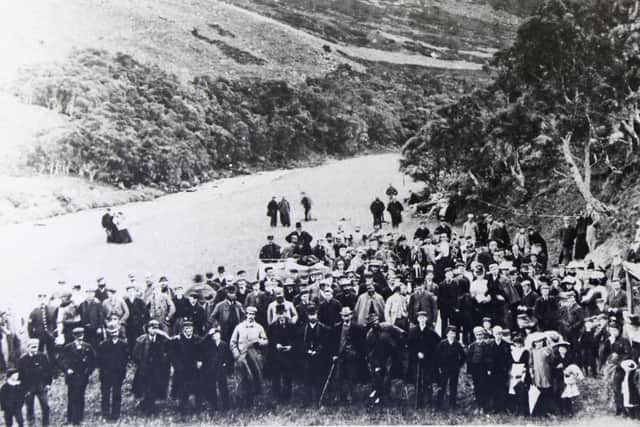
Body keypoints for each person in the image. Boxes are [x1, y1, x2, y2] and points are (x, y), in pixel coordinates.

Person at [230, 306, 268, 408]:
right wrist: (236, 355)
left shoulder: (259, 327)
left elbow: (265, 341)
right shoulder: (239, 327)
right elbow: (232, 343)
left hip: (254, 357)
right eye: (249, 314)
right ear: (246, 314)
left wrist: (259, 342)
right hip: (242, 357)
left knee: (254, 378)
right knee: (242, 379)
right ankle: (240, 401)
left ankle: (252, 401)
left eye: (253, 314)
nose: (251, 316)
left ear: (255, 315)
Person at [58, 327, 96, 426]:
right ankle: (71, 417)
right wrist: (67, 370)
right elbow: (61, 360)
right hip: (72, 376)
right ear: (74, 336)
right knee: (71, 396)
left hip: (83, 375)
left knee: (81, 396)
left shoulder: (88, 346)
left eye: (81, 336)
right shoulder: (68, 347)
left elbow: (93, 360)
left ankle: (79, 417)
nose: (80, 338)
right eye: (77, 336)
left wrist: (88, 371)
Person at [132, 320, 171, 415]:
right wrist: (141, 364)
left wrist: (164, 335)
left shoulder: (161, 340)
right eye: (152, 328)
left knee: (155, 385)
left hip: (157, 368)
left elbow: (170, 345)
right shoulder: (141, 340)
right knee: (144, 386)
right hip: (144, 368)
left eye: (156, 328)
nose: (154, 330)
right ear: (147, 329)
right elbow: (135, 355)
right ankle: (145, 404)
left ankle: (151, 404)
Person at [408, 311, 440, 408]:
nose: (422, 319)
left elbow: (435, 345)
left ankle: (428, 401)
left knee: (427, 379)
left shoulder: (431, 332)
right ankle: (418, 401)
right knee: (417, 380)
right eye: (420, 318)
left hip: (428, 360)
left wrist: (425, 353)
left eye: (424, 318)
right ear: (417, 319)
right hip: (416, 360)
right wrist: (417, 353)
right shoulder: (413, 331)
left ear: (426, 319)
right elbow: (410, 345)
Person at [171, 320, 203, 414]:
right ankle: (183, 407)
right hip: (182, 368)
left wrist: (200, 361)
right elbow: (173, 354)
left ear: (193, 329)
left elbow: (201, 351)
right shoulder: (178, 340)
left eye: (190, 328)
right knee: (182, 387)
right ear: (183, 330)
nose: (189, 330)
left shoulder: (197, 339)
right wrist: (177, 366)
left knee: (197, 386)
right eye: (186, 328)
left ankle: (198, 407)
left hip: (194, 367)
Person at [97, 324, 128, 421]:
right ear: (109, 333)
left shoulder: (123, 344)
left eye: (115, 332)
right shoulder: (103, 345)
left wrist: (122, 372)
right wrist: (102, 372)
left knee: (117, 394)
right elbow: (100, 360)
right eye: (112, 332)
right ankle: (105, 413)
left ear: (118, 332)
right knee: (105, 394)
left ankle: (115, 414)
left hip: (118, 374)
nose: (114, 334)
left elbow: (125, 359)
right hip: (106, 374)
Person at [17, 339, 51, 427]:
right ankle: (31, 424)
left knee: (45, 406)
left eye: (36, 346)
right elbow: (20, 376)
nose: (35, 349)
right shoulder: (22, 360)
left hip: (41, 385)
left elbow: (48, 371)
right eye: (33, 347)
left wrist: (48, 384)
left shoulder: (42, 356)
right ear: (28, 348)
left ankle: (46, 424)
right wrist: (23, 389)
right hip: (28, 387)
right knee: (30, 407)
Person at [301, 305, 330, 406]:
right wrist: (307, 350)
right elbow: (301, 342)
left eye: (314, 314)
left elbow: (325, 343)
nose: (312, 317)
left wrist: (317, 351)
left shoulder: (324, 328)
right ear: (307, 315)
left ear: (317, 315)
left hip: (320, 358)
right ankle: (307, 400)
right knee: (307, 379)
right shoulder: (303, 328)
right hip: (307, 357)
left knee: (320, 378)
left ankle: (321, 399)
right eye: (310, 315)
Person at [201, 326, 232, 412]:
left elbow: (229, 357)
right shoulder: (208, 344)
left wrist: (227, 365)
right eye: (213, 335)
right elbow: (201, 343)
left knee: (223, 388)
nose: (215, 336)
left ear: (220, 335)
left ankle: (226, 406)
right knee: (211, 388)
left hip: (221, 370)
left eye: (217, 334)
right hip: (211, 369)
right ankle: (214, 405)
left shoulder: (224, 344)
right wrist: (208, 334)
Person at [268, 311, 296, 403]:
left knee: (287, 376)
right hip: (276, 356)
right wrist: (276, 345)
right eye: (279, 314)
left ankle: (287, 396)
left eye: (283, 314)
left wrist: (291, 346)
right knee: (276, 376)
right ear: (276, 315)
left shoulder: (292, 326)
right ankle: (276, 396)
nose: (281, 316)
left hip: (289, 355)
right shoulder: (272, 327)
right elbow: (269, 339)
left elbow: (296, 339)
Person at [435, 326, 465, 409]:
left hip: (454, 369)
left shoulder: (457, 344)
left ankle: (453, 404)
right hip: (444, 369)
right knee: (442, 386)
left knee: (453, 386)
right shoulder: (442, 343)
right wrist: (440, 366)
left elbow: (463, 356)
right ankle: (439, 404)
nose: (452, 335)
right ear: (447, 334)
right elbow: (437, 356)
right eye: (450, 333)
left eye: (454, 333)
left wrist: (458, 365)